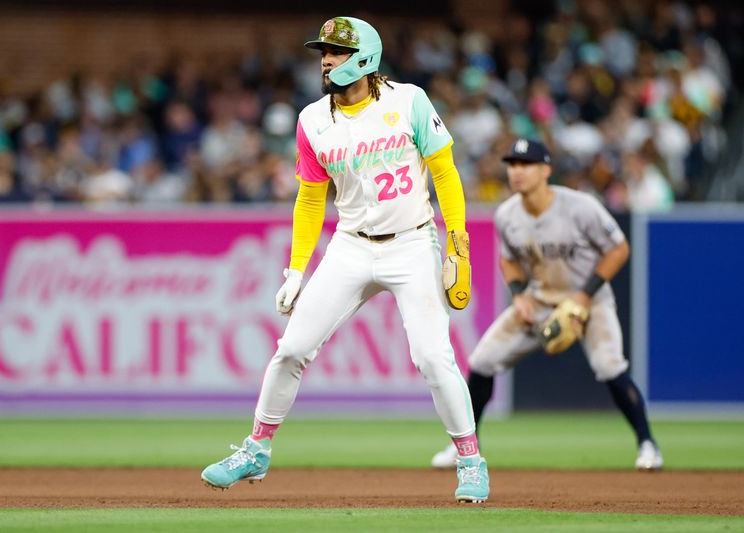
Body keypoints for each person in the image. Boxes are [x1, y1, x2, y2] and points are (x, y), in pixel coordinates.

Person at [201, 16, 489, 503]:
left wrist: (456, 241)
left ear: (364, 59)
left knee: (433, 356)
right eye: (323, 53)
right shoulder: (312, 119)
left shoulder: (409, 101)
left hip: (412, 242)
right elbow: (311, 199)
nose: (326, 61)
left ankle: (469, 459)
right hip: (351, 245)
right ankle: (256, 448)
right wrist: (296, 268)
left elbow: (445, 173)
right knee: (291, 349)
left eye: (334, 52)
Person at [430, 138, 664, 471]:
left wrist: (583, 298)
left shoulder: (580, 206)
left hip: (590, 299)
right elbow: (508, 260)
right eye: (512, 165)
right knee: (482, 361)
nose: (517, 171)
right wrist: (519, 294)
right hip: (539, 300)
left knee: (610, 366)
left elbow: (618, 249)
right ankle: (465, 448)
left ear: (546, 170)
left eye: (526, 164)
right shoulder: (507, 214)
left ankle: (647, 444)